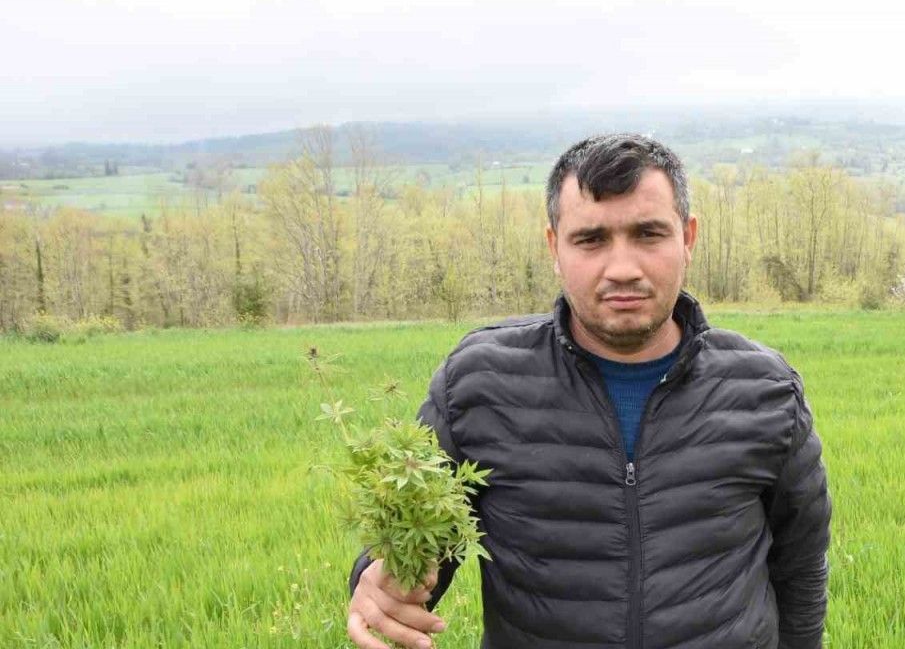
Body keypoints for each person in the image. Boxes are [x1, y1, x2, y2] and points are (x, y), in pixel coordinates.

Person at [346, 133, 831, 649]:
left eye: (648, 234)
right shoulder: (479, 384)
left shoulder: (765, 391)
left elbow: (800, 568)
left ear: (687, 238)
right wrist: (377, 581)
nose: (622, 269)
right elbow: (416, 545)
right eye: (591, 239)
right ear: (554, 247)